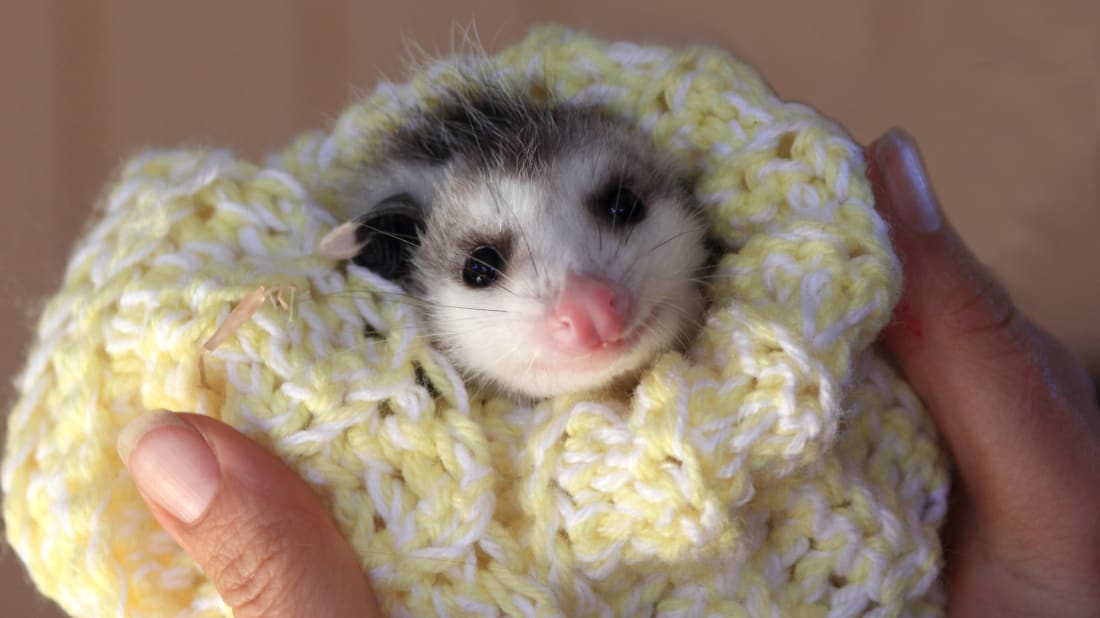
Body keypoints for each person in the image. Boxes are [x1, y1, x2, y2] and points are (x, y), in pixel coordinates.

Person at [117, 129, 1100, 617]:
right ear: (393, 269)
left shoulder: (822, 391)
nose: (588, 300)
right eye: (482, 266)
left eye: (620, 211)